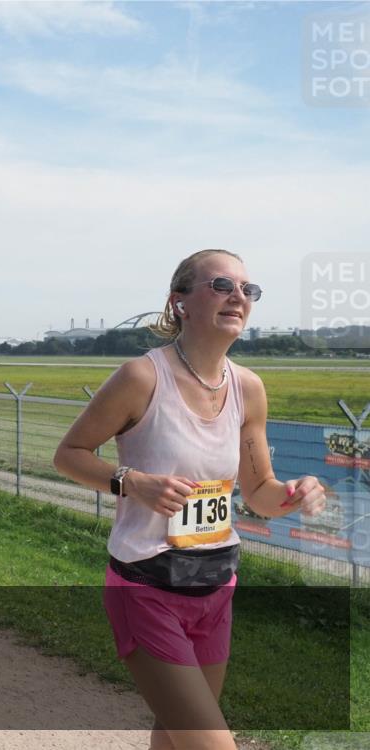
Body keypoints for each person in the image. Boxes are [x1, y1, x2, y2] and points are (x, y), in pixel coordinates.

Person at [53, 249, 326, 749]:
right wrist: (132, 481)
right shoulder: (142, 377)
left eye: (249, 289)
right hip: (146, 586)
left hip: (216, 586)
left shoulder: (249, 388)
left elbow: (261, 493)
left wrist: (296, 492)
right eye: (222, 285)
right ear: (179, 301)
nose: (239, 297)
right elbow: (68, 455)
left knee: (175, 734)